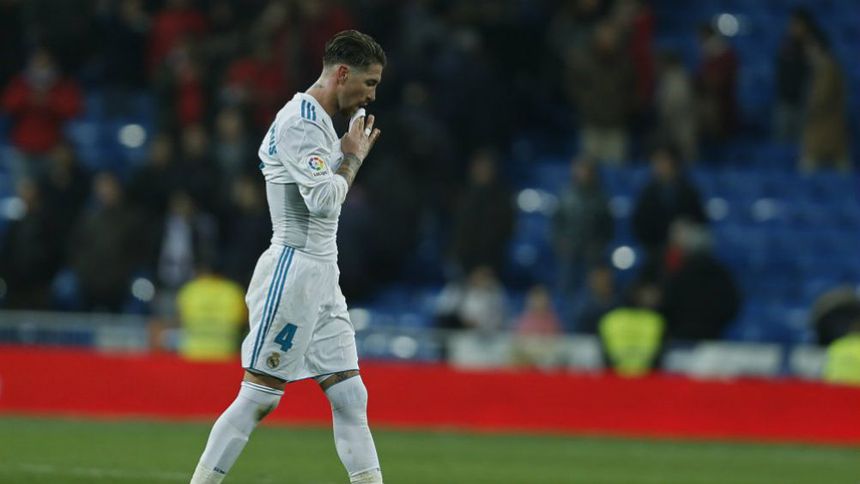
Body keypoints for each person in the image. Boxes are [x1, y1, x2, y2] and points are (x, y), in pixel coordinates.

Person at [190, 30, 386, 484]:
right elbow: (323, 201)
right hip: (293, 269)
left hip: (323, 274)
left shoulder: (321, 123)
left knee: (351, 397)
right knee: (259, 397)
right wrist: (352, 158)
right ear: (342, 74)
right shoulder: (300, 121)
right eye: (369, 82)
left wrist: (345, 153)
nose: (372, 95)